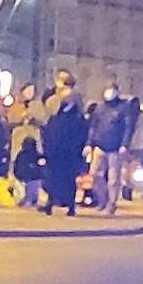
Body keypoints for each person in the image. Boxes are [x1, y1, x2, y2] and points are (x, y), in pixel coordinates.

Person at [41, 84, 89, 216]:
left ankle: (71, 205)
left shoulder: (77, 117)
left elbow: (80, 135)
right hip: (55, 152)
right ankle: (50, 203)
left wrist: (77, 149)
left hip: (69, 153)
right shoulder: (58, 114)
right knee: (52, 178)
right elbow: (50, 130)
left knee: (68, 180)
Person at [87, 84, 132, 214]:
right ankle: (102, 199)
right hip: (100, 145)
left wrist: (124, 144)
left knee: (114, 179)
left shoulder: (124, 108)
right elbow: (93, 127)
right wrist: (89, 143)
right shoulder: (100, 108)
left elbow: (128, 127)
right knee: (95, 175)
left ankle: (111, 203)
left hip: (115, 147)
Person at [14, 136, 46, 208]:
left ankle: (30, 200)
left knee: (34, 183)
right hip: (24, 179)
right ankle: (28, 200)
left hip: (34, 178)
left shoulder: (37, 155)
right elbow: (18, 168)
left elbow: (41, 166)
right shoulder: (22, 155)